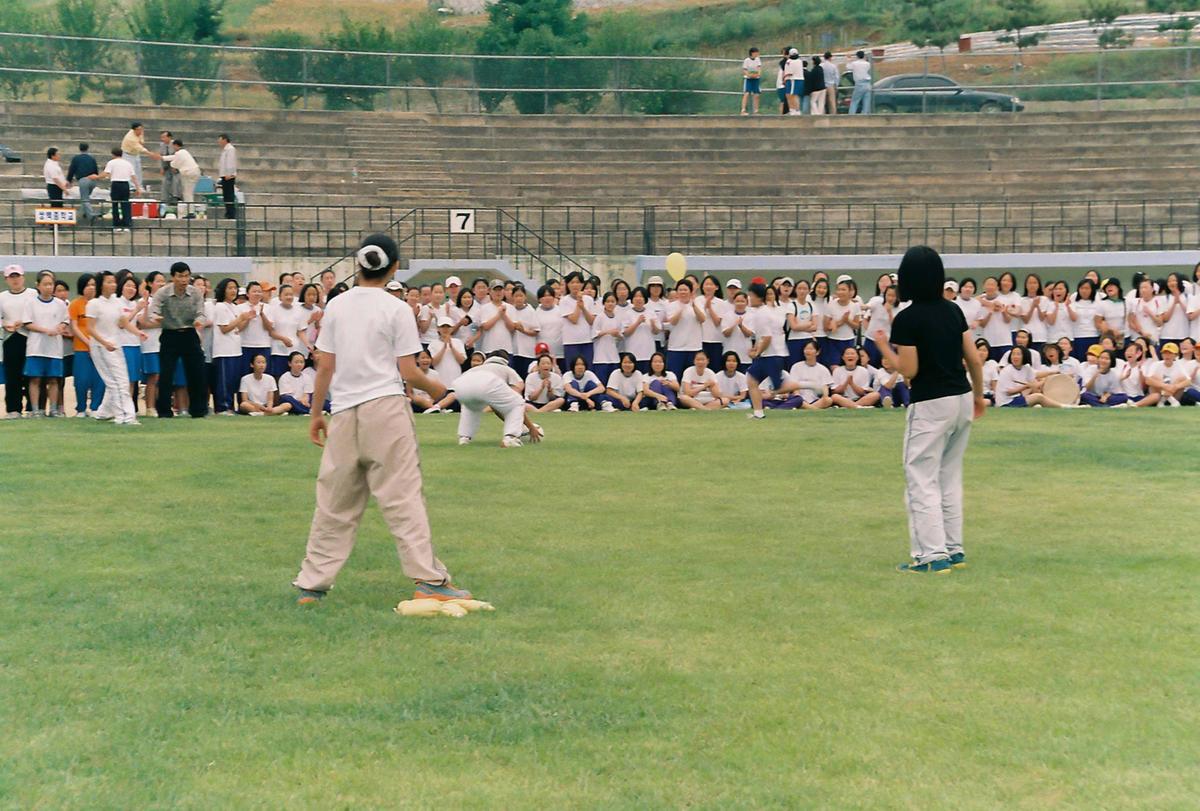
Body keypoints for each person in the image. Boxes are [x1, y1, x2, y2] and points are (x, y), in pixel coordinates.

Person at [293, 233, 473, 606]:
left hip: (344, 411)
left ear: (358, 265)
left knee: (334, 502)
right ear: (394, 268)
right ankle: (428, 579)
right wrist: (441, 389)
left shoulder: (336, 305)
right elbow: (409, 371)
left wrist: (316, 413)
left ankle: (312, 584)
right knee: (402, 496)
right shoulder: (396, 308)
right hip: (386, 409)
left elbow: (324, 366)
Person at [873, 245, 985, 574]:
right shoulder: (953, 310)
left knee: (920, 477)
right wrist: (979, 397)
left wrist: (883, 348)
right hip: (961, 397)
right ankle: (953, 548)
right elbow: (974, 359)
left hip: (931, 403)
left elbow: (909, 370)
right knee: (949, 476)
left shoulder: (908, 318)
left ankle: (931, 555)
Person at [452, 349, 543, 446]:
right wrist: (530, 427)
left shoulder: (476, 369)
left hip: (461, 385)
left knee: (471, 408)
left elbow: (497, 408)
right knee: (517, 404)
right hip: (487, 385)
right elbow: (516, 397)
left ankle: (464, 438)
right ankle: (511, 438)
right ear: (506, 361)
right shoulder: (507, 369)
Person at [84, 271, 141, 426]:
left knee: (119, 380)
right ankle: (126, 416)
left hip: (116, 346)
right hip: (101, 347)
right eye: (109, 282)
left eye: (114, 282)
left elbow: (123, 322)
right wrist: (104, 343)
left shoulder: (116, 302)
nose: (113, 285)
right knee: (118, 382)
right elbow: (90, 328)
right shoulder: (94, 304)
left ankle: (103, 413)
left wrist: (138, 333)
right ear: (101, 284)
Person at [20, 270, 69, 416]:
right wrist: (45, 330)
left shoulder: (60, 304)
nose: (49, 287)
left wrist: (59, 328)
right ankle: (36, 410)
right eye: (45, 284)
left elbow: (65, 321)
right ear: (38, 285)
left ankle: (53, 409)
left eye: (51, 284)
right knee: (35, 379)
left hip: (54, 348)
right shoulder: (31, 303)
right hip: (36, 347)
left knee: (53, 379)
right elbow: (27, 323)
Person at [743, 281, 787, 419]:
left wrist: (757, 353)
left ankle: (808, 385)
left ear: (759, 297)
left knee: (780, 387)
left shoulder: (762, 314)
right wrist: (756, 349)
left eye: (751, 296)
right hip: (769, 354)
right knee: (751, 380)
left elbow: (767, 338)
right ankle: (758, 413)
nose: (749, 299)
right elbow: (762, 337)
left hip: (771, 355)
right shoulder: (762, 312)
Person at [211, 278, 255, 414]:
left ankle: (230, 406)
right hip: (224, 350)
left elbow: (237, 328)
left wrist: (247, 319)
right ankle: (222, 407)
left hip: (235, 349)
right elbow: (224, 329)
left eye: (235, 288)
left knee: (232, 380)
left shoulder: (234, 307)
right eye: (230, 288)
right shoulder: (220, 306)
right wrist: (240, 318)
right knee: (224, 380)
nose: (233, 291)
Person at [2, 264, 37, 418]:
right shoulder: (2, 297)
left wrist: (24, 322)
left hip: (31, 337)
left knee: (31, 374)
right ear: (6, 279)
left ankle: (32, 407)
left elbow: (39, 312)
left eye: (17, 276)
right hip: (11, 338)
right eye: (11, 277)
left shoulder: (33, 294)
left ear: (23, 277)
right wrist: (5, 324)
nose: (15, 280)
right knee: (12, 375)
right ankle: (13, 409)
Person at [665, 279, 705, 381]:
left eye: (685, 290)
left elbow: (702, 319)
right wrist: (681, 308)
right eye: (680, 290)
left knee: (692, 379)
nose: (683, 292)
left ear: (691, 292)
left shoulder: (698, 304)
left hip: (694, 347)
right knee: (674, 378)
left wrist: (693, 306)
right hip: (676, 348)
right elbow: (672, 322)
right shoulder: (671, 305)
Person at [100, 148, 138, 232]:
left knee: (115, 204)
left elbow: (106, 173)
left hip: (116, 184)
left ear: (113, 154)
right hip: (125, 184)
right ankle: (127, 224)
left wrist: (97, 177)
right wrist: (137, 187)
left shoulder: (111, 162)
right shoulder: (128, 163)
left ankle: (116, 225)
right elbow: (133, 176)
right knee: (125, 204)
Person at [162, 139, 201, 217]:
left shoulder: (179, 153)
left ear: (176, 145)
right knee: (188, 193)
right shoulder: (184, 152)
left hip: (189, 173)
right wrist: (162, 158)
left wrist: (171, 165)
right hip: (194, 172)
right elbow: (173, 157)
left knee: (187, 193)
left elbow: (174, 163)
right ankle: (190, 211)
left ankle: (191, 212)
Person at [66, 143, 100, 223]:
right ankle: (83, 213)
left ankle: (91, 215)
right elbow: (96, 169)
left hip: (83, 180)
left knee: (85, 199)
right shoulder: (92, 158)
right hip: (92, 180)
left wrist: (69, 180)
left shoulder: (76, 158)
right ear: (87, 148)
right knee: (85, 197)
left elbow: (72, 170)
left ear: (79, 148)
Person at [120, 122, 159, 188]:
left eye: (141, 129)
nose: (141, 131)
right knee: (131, 171)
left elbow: (141, 142)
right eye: (139, 130)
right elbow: (140, 148)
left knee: (138, 170)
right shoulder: (130, 138)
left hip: (136, 154)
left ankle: (139, 186)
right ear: (134, 130)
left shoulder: (140, 132)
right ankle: (132, 187)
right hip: (128, 155)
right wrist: (151, 154)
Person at [216, 133, 238, 219]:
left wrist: (229, 174)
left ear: (225, 140)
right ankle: (228, 212)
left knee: (229, 195)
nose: (219, 142)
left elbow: (230, 162)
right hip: (224, 175)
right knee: (226, 195)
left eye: (220, 140)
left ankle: (231, 213)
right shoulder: (225, 150)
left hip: (228, 176)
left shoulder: (230, 149)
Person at [158, 130, 179, 205]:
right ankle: (164, 199)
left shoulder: (175, 144)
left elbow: (178, 156)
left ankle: (175, 197)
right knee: (164, 182)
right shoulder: (161, 145)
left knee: (175, 182)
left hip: (175, 166)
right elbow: (161, 157)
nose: (162, 139)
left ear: (169, 137)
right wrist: (162, 167)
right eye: (161, 137)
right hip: (166, 166)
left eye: (164, 137)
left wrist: (175, 166)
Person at [741, 47, 762, 115]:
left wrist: (758, 74)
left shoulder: (758, 59)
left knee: (756, 94)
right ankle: (743, 110)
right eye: (756, 52)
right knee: (746, 94)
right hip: (748, 79)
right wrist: (749, 75)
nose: (757, 54)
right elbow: (744, 70)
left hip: (756, 79)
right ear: (752, 53)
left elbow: (759, 68)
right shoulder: (746, 60)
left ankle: (756, 111)